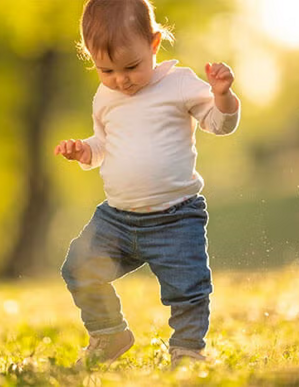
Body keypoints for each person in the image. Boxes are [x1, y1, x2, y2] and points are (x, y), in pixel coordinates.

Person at [54, 0, 240, 368]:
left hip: (175, 217)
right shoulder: (104, 98)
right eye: (105, 69)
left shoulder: (180, 84)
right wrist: (84, 151)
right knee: (78, 267)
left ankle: (187, 350)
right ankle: (108, 333)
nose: (120, 79)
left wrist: (222, 96)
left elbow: (219, 124)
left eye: (131, 66)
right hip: (118, 220)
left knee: (188, 289)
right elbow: (104, 144)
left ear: (154, 44)